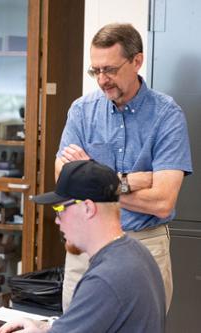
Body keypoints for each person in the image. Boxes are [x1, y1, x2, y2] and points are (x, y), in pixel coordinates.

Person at [0, 160, 165, 333]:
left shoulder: (107, 278)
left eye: (60, 209)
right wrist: (43, 328)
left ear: (87, 208)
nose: (57, 220)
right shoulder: (134, 253)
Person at [56, 23, 192, 311]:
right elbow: (63, 178)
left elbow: (163, 202)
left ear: (137, 61)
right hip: (86, 244)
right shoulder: (81, 111)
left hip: (145, 243)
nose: (102, 79)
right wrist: (130, 181)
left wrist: (92, 177)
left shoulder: (167, 116)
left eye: (111, 70)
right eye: (96, 71)